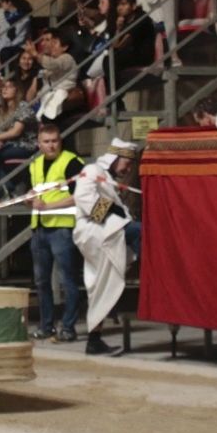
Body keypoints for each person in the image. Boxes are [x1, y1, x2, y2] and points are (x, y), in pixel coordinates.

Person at [73, 138, 140, 357]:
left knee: (99, 287)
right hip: (97, 233)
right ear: (115, 157)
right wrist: (114, 211)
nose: (128, 168)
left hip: (104, 233)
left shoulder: (108, 177)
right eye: (126, 163)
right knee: (142, 232)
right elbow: (82, 197)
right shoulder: (92, 170)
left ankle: (94, 339)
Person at [28, 124, 86, 344]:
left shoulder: (71, 162)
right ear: (39, 143)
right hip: (40, 228)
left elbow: (80, 195)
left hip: (62, 228)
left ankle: (69, 327)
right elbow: (33, 196)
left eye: (55, 140)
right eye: (46, 141)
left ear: (60, 141)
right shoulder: (34, 165)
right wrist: (28, 200)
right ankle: (46, 326)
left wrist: (49, 207)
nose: (51, 145)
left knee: (68, 280)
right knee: (41, 281)